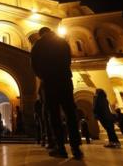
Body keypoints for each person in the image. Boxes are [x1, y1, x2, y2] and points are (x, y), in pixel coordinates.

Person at [30, 27, 83, 159]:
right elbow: (68, 59)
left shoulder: (39, 44)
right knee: (70, 113)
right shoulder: (62, 42)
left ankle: (61, 148)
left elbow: (34, 64)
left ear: (41, 34)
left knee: (53, 115)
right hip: (65, 79)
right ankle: (76, 148)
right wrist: (63, 71)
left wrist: (43, 76)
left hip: (50, 82)